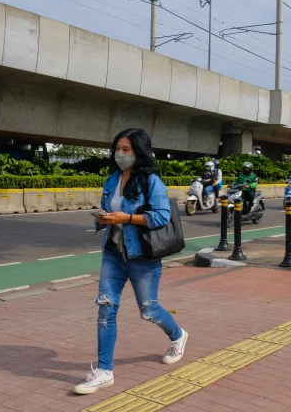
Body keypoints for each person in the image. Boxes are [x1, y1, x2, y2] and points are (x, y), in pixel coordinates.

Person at [74, 128, 188, 395]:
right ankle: (104, 371)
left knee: (149, 310)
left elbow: (161, 216)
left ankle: (178, 335)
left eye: (126, 150)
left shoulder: (151, 181)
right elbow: (109, 211)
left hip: (141, 257)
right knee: (106, 309)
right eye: (118, 149)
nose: (120, 154)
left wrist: (126, 218)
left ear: (139, 152)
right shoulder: (112, 179)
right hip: (112, 254)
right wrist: (102, 219)